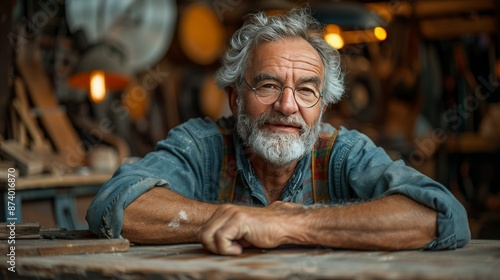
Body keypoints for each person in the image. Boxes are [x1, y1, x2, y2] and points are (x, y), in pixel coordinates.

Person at [86, 8, 470, 255]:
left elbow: (440, 216)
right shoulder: (201, 144)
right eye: (268, 85)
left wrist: (290, 223)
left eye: (306, 90)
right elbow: (116, 204)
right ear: (236, 99)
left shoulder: (344, 153)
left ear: (322, 106)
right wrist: (237, 218)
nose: (287, 106)